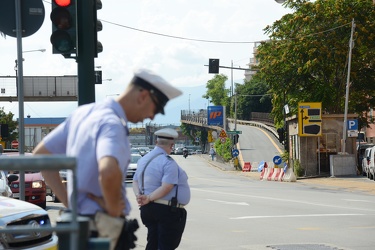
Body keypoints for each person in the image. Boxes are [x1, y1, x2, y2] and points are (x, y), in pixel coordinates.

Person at [32, 69, 182, 246]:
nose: (151, 116)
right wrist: (113, 218)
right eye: (155, 109)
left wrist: (71, 204)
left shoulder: (83, 114)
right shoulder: (113, 124)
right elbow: (108, 170)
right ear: (143, 96)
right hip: (100, 229)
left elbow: (41, 155)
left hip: (78, 224)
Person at [132, 128, 191, 250]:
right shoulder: (168, 162)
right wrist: (147, 198)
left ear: (156, 143)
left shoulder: (143, 160)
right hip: (166, 210)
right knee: (166, 245)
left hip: (148, 209)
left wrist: (139, 196)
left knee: (152, 243)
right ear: (172, 145)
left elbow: (135, 181)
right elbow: (167, 187)